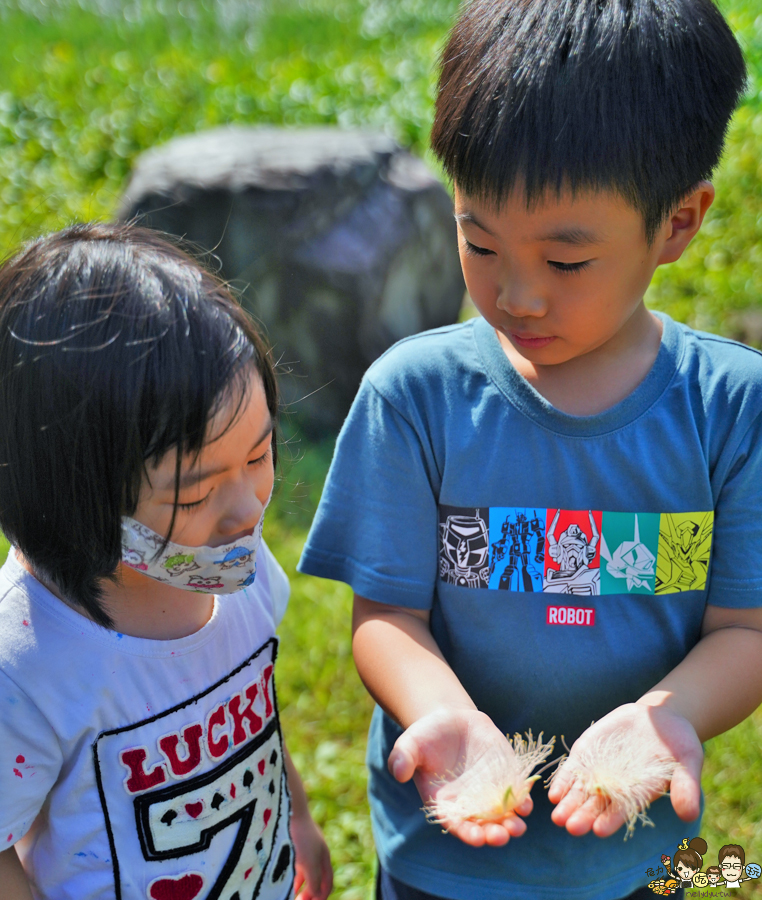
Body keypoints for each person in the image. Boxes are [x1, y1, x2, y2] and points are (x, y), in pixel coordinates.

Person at [297, 1, 762, 898]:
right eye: (479, 241)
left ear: (678, 222)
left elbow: (745, 630)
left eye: (567, 261)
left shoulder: (729, 409)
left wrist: (672, 717)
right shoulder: (418, 396)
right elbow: (387, 616)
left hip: (630, 852)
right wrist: (441, 712)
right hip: (447, 854)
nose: (517, 296)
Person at [0, 224, 333, 900]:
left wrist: (295, 814)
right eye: (199, 490)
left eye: (259, 455)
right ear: (74, 495)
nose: (247, 510)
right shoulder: (28, 669)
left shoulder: (234, 569)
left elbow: (254, 704)